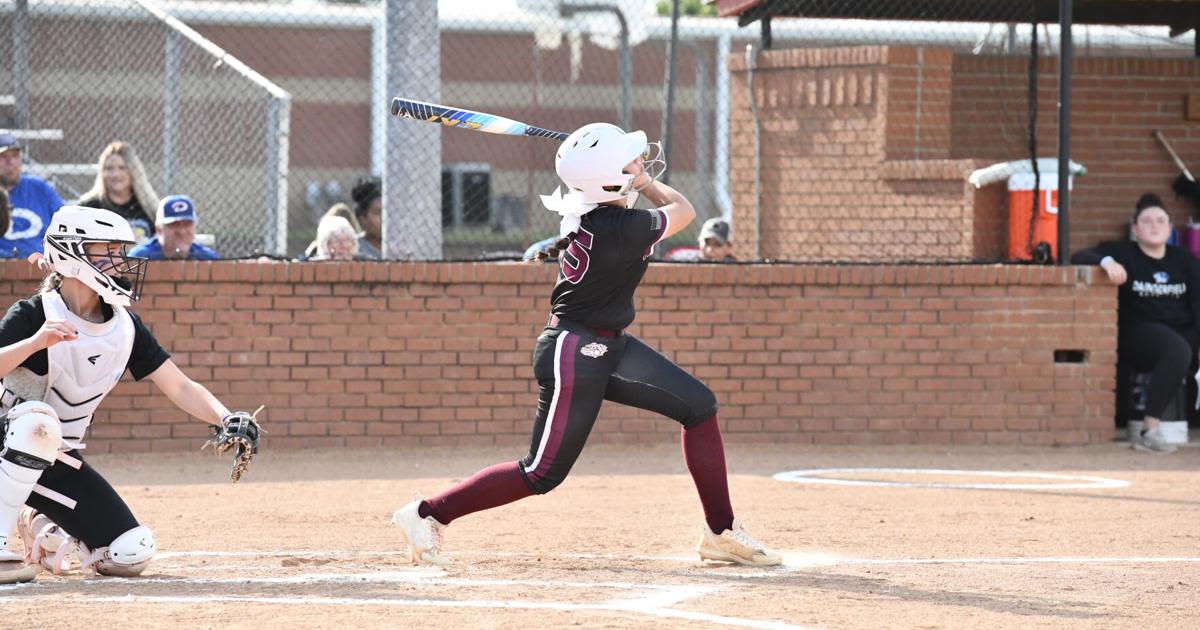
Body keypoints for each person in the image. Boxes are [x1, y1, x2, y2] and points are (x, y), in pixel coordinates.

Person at [391, 122, 781, 567]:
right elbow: (683, 208)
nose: (640, 163)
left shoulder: (598, 214)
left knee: (698, 405)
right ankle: (426, 514)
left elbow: (602, 206)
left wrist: (620, 172)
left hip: (609, 345)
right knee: (540, 473)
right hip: (573, 351)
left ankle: (721, 532)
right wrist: (645, 182)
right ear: (608, 181)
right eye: (630, 162)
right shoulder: (622, 225)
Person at [0, 206, 260, 584]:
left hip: (54, 461)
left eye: (119, 251)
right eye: (106, 251)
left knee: (128, 553)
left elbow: (179, 384)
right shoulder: (34, 313)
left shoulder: (124, 327)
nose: (119, 262)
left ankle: (38, 520)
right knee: (36, 422)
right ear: (70, 254)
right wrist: (34, 342)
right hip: (6, 443)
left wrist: (225, 416)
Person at [1071, 192, 1200, 454]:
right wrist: (1107, 263)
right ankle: (1149, 430)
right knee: (1178, 349)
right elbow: (1078, 256)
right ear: (1135, 228)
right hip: (1140, 334)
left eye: (1161, 221)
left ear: (1170, 228)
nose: (1154, 226)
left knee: (1182, 347)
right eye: (1147, 220)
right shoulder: (1123, 253)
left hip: (1182, 335)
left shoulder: (1185, 260)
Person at [76, 142, 159, 243]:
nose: (115, 174)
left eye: (122, 168)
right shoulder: (89, 207)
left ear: (133, 171)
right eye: (109, 168)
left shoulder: (148, 207)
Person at [0, 132, 65, 260]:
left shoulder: (39, 188)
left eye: (15, 156)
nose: (11, 162)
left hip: (41, 264)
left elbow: (65, 220)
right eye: (4, 157)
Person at [129, 195, 219, 260]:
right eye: (174, 225)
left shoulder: (207, 258)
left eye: (187, 224)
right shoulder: (140, 257)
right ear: (159, 229)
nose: (182, 231)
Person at [665, 217, 737, 262]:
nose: (709, 250)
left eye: (717, 245)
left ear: (729, 247)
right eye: (706, 243)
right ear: (699, 240)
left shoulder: (736, 270)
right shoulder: (680, 258)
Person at [351, 177, 382, 260]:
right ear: (362, 219)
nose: (384, 219)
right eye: (378, 212)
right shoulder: (353, 248)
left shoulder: (401, 248)